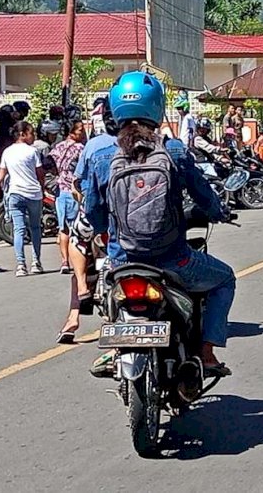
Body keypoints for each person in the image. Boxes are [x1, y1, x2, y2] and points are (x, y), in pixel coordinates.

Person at [84, 71, 235, 375]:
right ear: (157, 107)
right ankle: (206, 353)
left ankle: (116, 350)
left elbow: (93, 210)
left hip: (123, 260)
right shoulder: (174, 151)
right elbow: (203, 194)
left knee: (107, 289)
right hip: (173, 260)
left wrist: (105, 233)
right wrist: (218, 211)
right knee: (225, 279)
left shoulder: (101, 157)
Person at [59, 100, 119, 344]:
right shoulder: (149, 143)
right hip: (133, 219)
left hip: (97, 217)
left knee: (77, 242)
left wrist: (81, 195)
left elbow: (78, 182)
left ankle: (76, 309)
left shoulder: (94, 146)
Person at [0, 121, 45, 277]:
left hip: (15, 194)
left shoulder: (7, 152)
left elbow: (1, 176)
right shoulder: (32, 152)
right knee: (35, 228)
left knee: (18, 229)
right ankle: (36, 263)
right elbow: (40, 175)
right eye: (31, 133)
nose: (33, 136)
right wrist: (42, 189)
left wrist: (5, 189)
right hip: (33, 194)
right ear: (22, 134)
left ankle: (20, 265)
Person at [49, 119, 86, 274]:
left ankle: (64, 261)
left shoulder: (57, 147)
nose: (83, 133)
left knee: (63, 228)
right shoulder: (80, 148)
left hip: (59, 190)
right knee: (76, 229)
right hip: (74, 190)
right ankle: (77, 261)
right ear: (71, 132)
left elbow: (47, 165)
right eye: (80, 130)